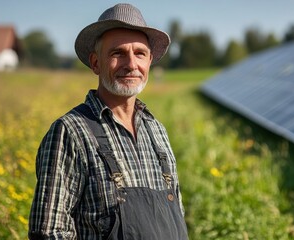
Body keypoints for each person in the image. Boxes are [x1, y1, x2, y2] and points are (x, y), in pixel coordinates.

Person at [28, 3, 188, 239]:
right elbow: (49, 232)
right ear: (95, 63)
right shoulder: (70, 132)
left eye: (140, 53)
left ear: (150, 61)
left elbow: (177, 215)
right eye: (117, 53)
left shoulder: (157, 131)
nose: (131, 64)